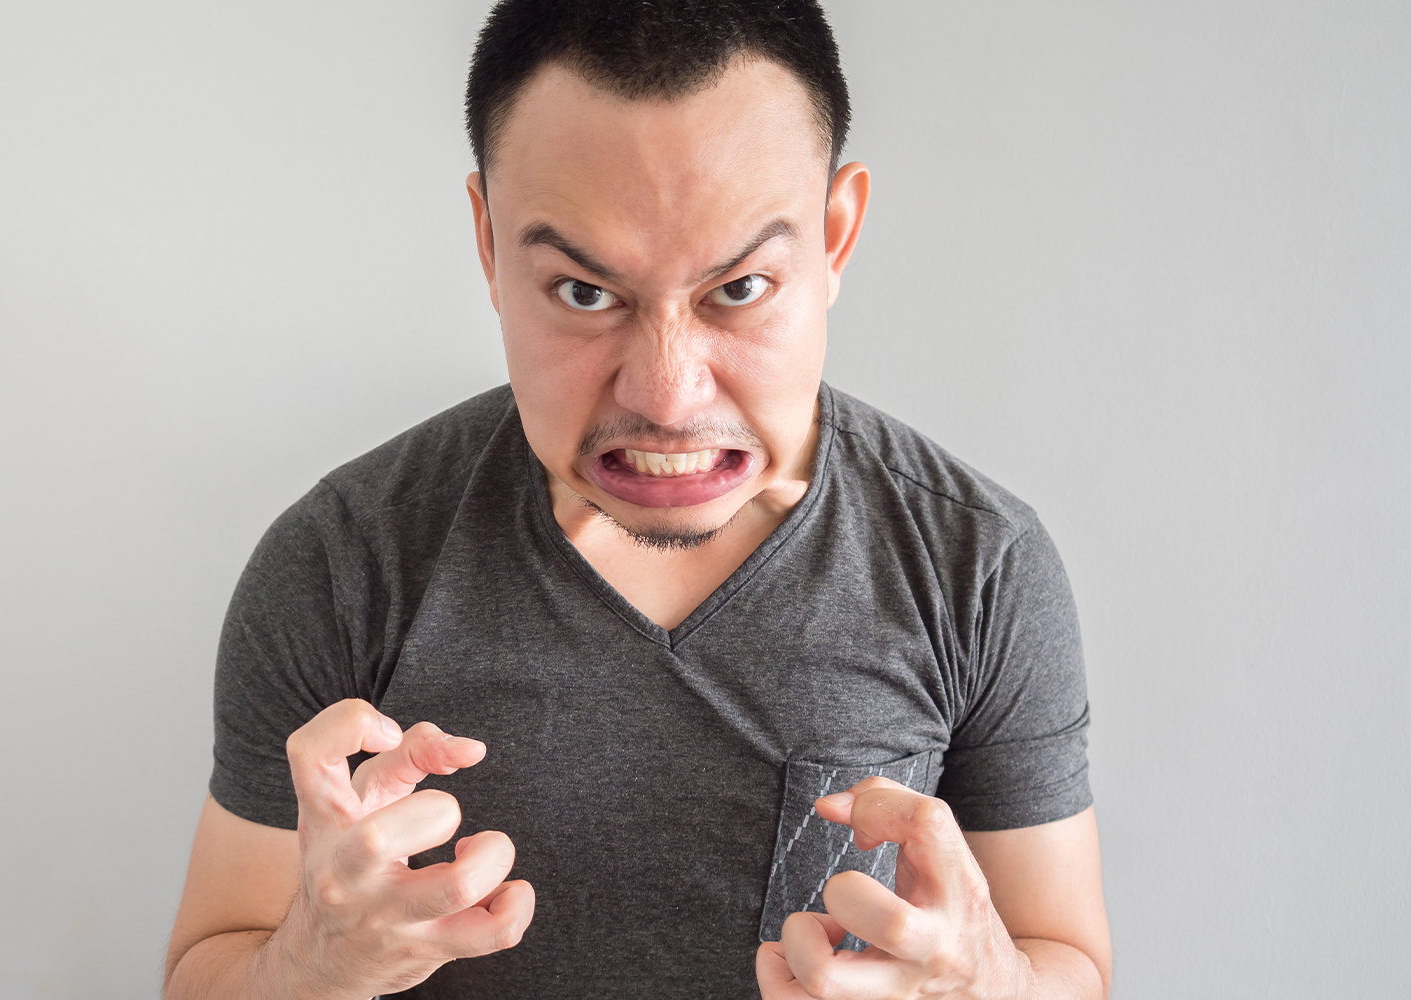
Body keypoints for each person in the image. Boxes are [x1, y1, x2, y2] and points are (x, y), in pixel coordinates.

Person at [164, 2, 1111, 997]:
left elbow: (1070, 963)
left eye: (738, 289)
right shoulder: (341, 562)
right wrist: (313, 965)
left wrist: (980, 985)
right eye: (584, 292)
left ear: (835, 239)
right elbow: (206, 968)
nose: (666, 395)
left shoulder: (977, 565)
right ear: (490, 244)